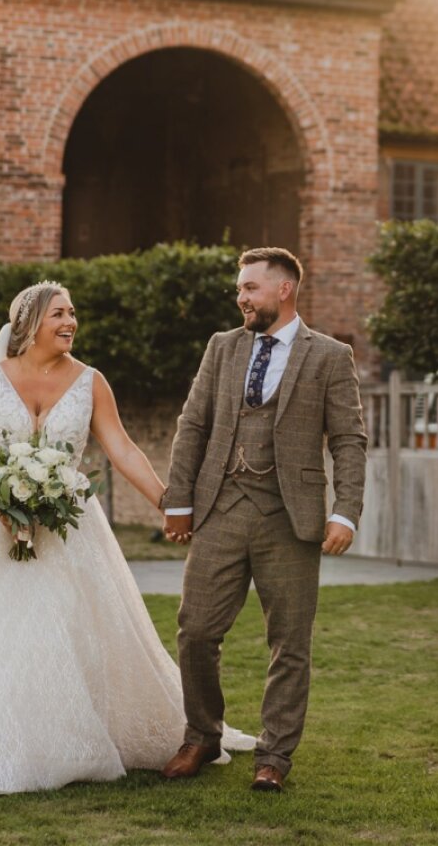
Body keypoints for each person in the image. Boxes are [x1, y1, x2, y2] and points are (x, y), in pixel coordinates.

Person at [0, 281, 252, 792]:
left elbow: (123, 450)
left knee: (71, 632)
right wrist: (1, 504)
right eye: (59, 315)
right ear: (29, 325)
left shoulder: (91, 381)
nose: (70, 322)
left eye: (72, 313)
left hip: (68, 526)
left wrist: (168, 502)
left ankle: (72, 740)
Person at [159, 246, 368, 793]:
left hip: (290, 517)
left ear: (283, 289)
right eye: (239, 288)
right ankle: (202, 735)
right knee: (196, 631)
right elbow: (193, 424)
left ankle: (274, 755)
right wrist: (178, 501)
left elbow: (348, 439)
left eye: (250, 287)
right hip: (219, 507)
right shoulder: (222, 347)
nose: (240, 297)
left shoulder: (329, 356)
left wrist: (346, 511)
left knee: (290, 642)